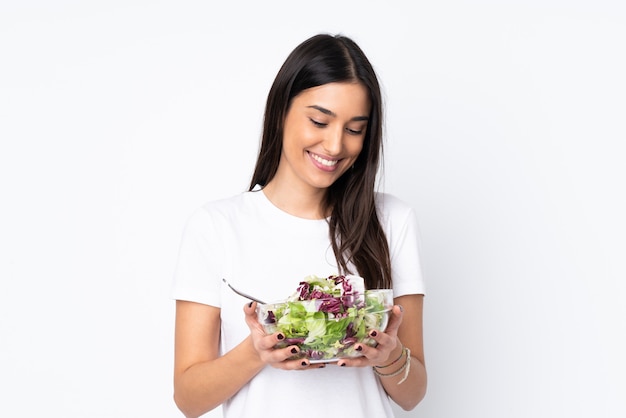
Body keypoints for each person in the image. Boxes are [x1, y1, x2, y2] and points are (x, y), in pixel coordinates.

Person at [171, 33, 427, 418]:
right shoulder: (216, 226)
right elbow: (188, 399)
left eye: (355, 129)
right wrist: (254, 353)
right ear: (281, 111)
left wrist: (388, 356)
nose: (335, 145)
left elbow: (413, 395)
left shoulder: (392, 221)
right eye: (319, 121)